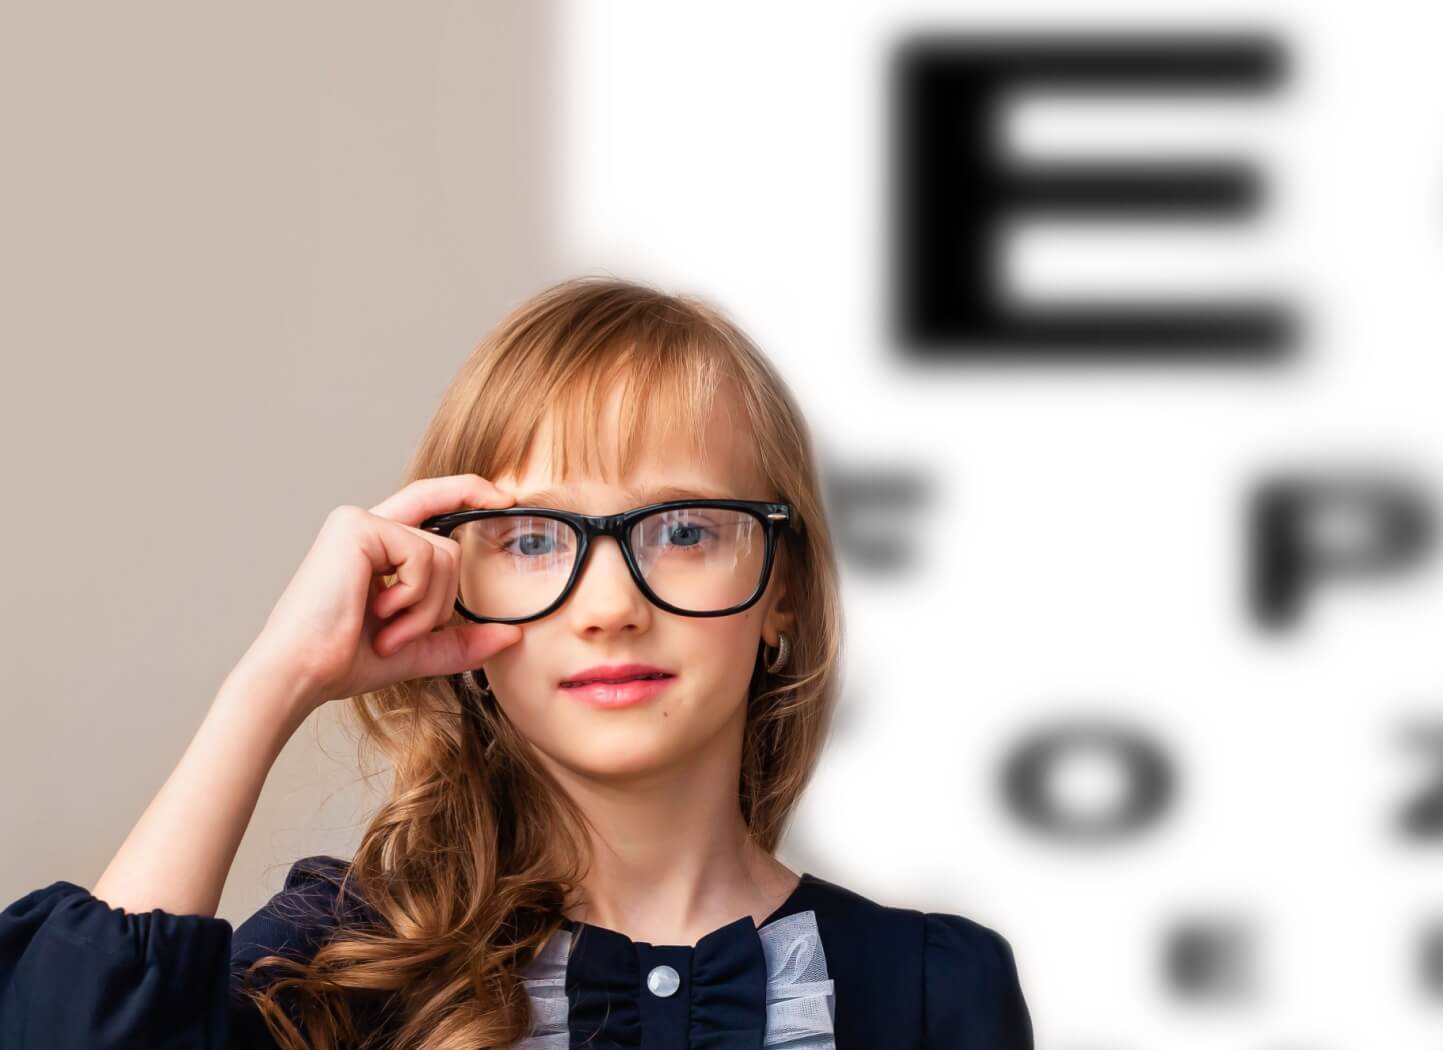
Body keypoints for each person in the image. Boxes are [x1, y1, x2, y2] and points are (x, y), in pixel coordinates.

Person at [0, 276, 1034, 1048]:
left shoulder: (937, 989)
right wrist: (276, 677)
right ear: (454, 586)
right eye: (535, 539)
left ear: (784, 597)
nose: (612, 607)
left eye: (683, 529)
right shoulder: (346, 960)